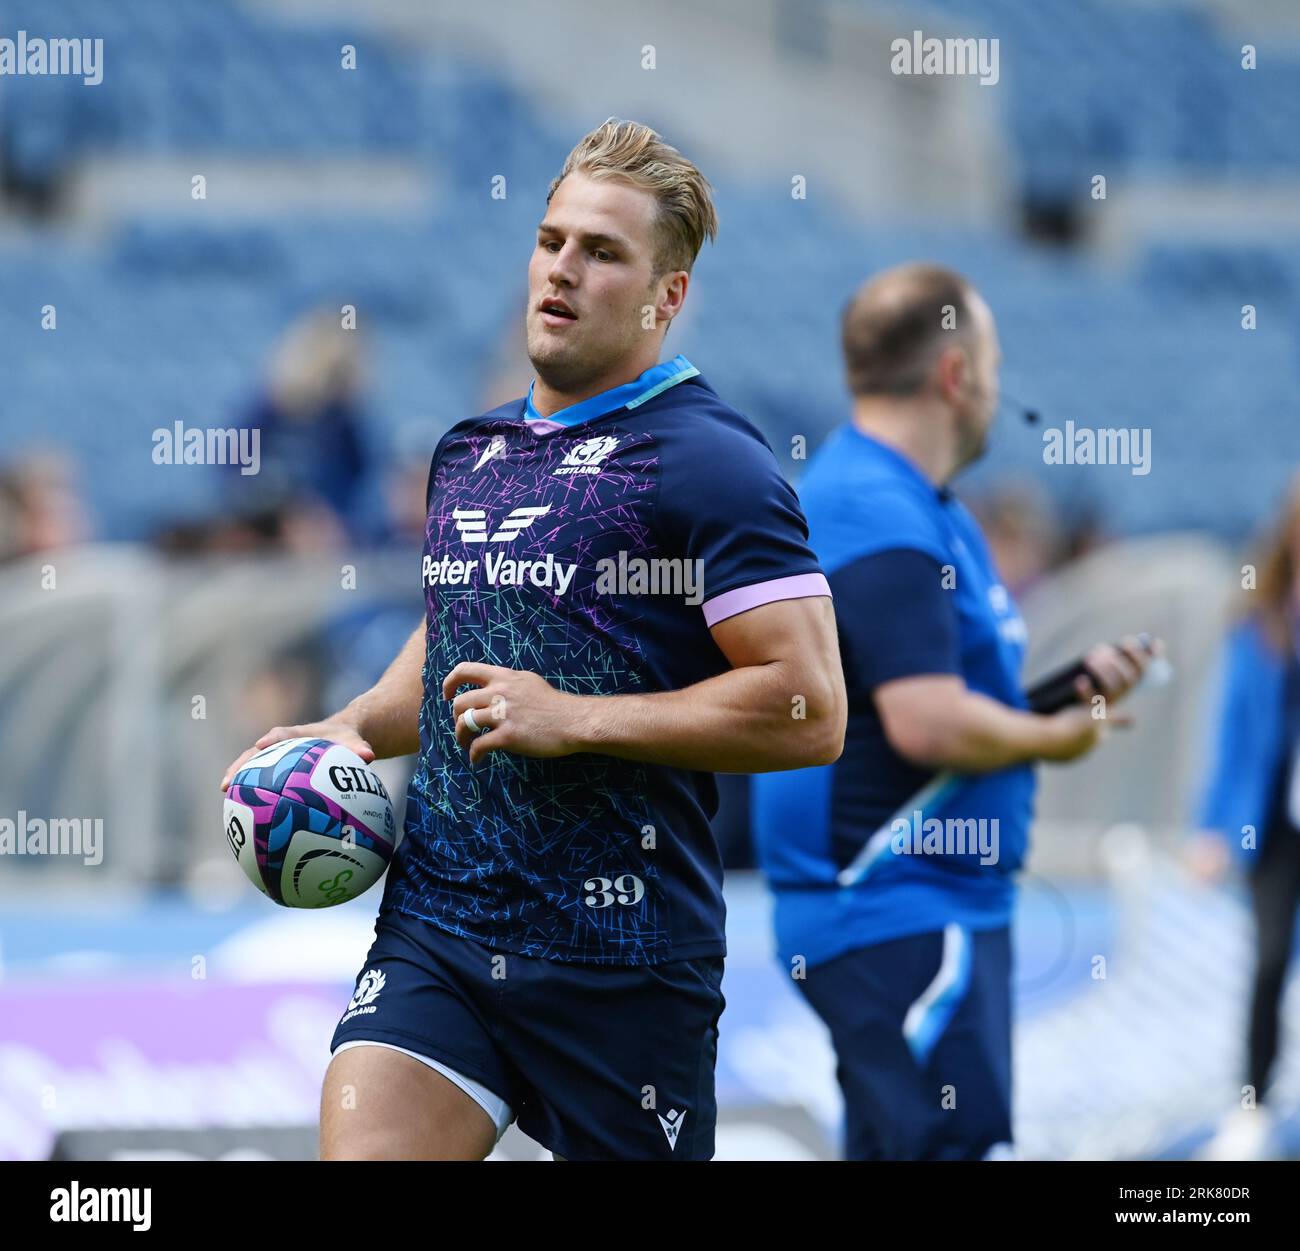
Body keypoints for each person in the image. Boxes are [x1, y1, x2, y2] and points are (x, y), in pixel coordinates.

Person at [221, 119, 846, 1161]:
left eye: (602, 252)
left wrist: (577, 719)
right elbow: (457, 628)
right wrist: (340, 732)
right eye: (552, 240)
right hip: (442, 936)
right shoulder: (471, 451)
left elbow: (809, 706)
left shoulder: (712, 464)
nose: (563, 269)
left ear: (667, 296)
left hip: (622, 966)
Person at [751, 262, 1155, 1160]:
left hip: (921, 908)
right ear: (954, 375)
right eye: (994, 363)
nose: (999, 390)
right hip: (897, 905)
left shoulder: (919, 505)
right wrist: (1055, 734)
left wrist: (1056, 693)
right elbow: (926, 722)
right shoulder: (875, 503)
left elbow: (930, 697)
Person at [1192, 474, 1300, 1161]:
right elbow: (1233, 730)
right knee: (1266, 963)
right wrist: (1213, 825)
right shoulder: (1260, 619)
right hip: (1278, 823)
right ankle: (1251, 1107)